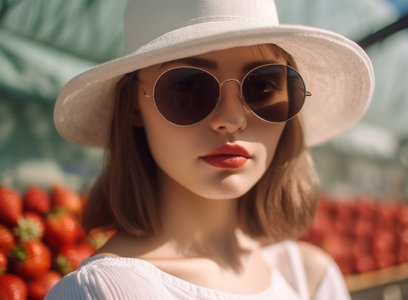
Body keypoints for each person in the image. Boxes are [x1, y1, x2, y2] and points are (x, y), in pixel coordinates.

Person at [46, 0, 374, 299]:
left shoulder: (309, 276)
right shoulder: (100, 292)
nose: (231, 120)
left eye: (262, 86)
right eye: (188, 85)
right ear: (133, 105)